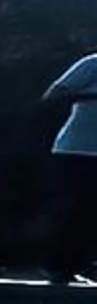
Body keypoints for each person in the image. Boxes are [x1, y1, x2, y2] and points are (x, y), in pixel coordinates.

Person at [46, 50, 97, 284]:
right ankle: (60, 269)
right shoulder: (92, 64)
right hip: (75, 150)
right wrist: (91, 96)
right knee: (76, 211)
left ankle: (83, 266)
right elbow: (52, 97)